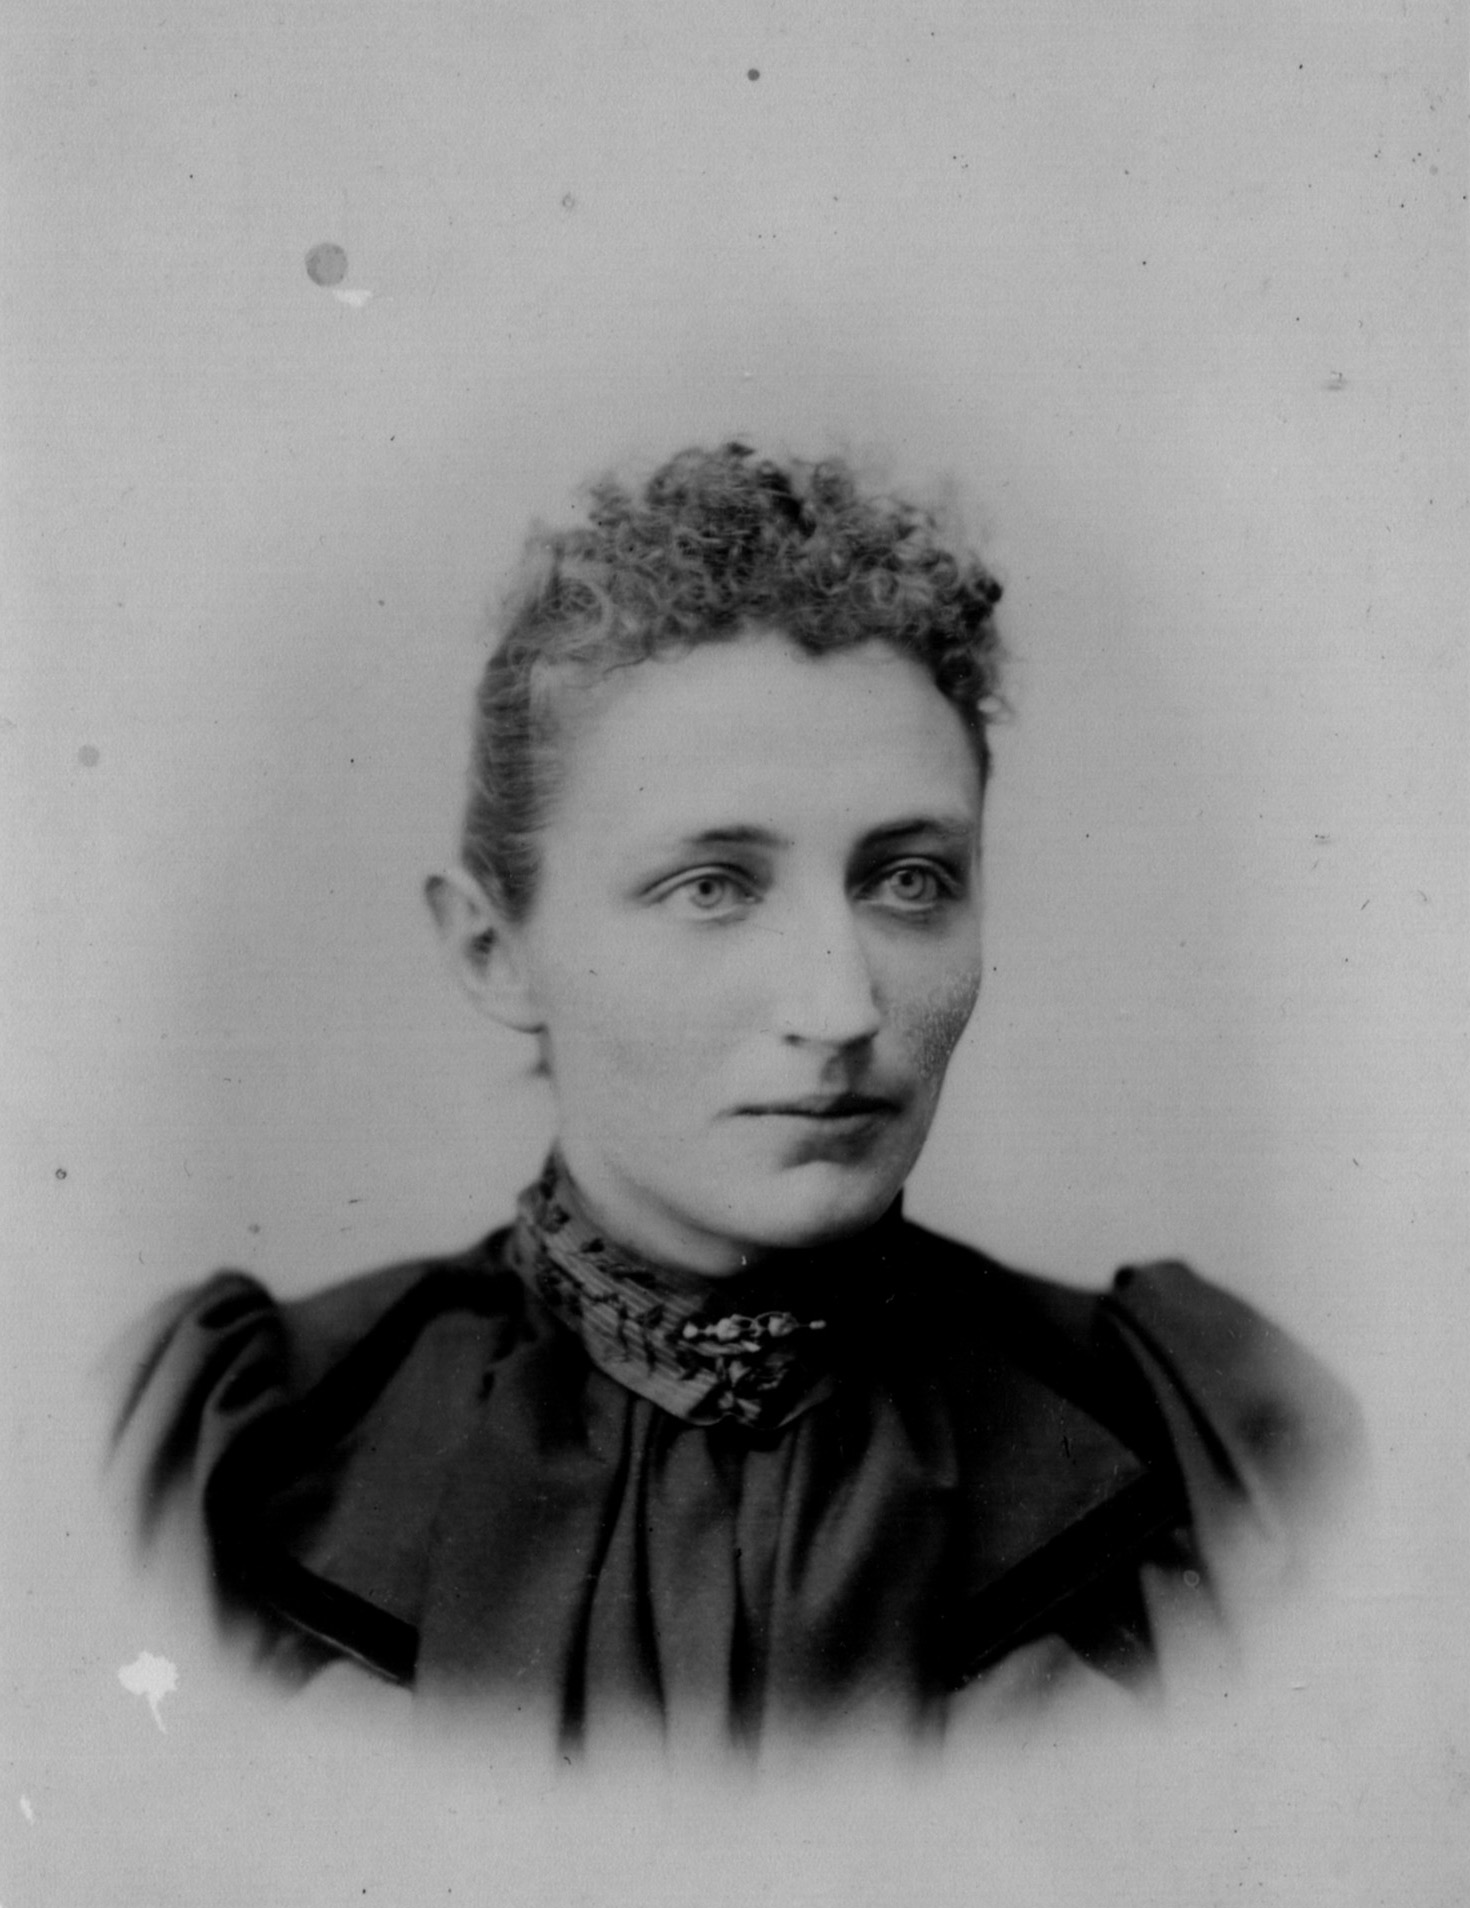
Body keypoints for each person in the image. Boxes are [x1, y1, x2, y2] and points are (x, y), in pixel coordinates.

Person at [112, 442, 1361, 1746]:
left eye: (909, 881)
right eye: (710, 887)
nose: (842, 1004)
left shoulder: (1218, 1456)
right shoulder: (229, 1461)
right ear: (494, 950)